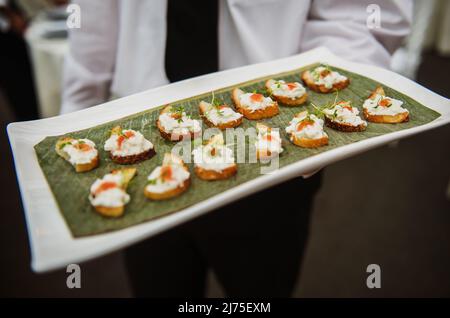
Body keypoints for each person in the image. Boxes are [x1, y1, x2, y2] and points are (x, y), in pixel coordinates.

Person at [61, 0, 412, 297]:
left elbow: (358, 15)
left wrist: (319, 111)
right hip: (141, 152)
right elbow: (94, 16)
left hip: (272, 167)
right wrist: (76, 119)